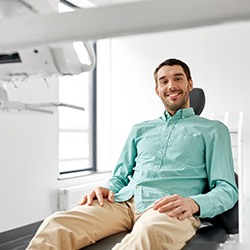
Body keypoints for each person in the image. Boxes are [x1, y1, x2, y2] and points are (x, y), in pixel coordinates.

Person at [27, 58, 238, 250]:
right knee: (57, 224)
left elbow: (227, 189)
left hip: (168, 208)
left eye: (178, 78)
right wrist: (106, 188)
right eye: (163, 81)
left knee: (146, 237)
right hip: (123, 202)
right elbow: (119, 178)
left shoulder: (212, 130)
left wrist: (193, 203)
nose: (171, 85)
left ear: (190, 84)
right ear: (157, 90)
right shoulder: (141, 129)